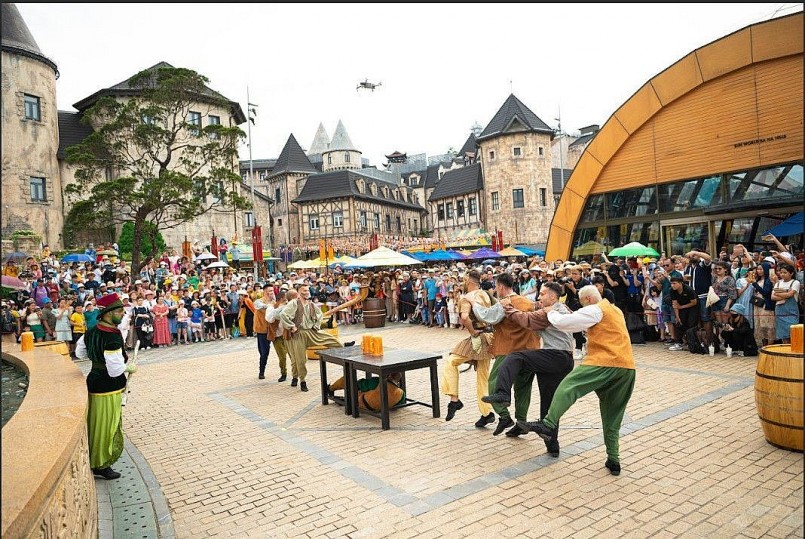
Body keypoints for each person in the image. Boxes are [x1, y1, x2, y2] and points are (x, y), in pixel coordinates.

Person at [517, 285, 636, 476]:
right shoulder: (616, 311)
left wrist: (550, 312)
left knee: (568, 386)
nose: (581, 307)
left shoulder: (596, 309)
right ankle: (613, 459)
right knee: (612, 416)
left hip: (604, 362)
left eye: (581, 304)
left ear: (587, 299)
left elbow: (565, 323)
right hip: (627, 368)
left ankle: (548, 424)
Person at [481, 281, 575, 455]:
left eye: (543, 294)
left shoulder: (548, 312)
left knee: (515, 357)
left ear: (553, 296)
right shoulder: (564, 309)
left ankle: (503, 393)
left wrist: (507, 307)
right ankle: (552, 445)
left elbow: (526, 319)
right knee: (548, 403)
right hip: (564, 360)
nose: (539, 297)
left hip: (555, 356)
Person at [75, 292, 135, 480]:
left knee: (95, 423)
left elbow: (80, 352)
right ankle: (101, 463)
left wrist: (97, 357)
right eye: (120, 311)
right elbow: (115, 370)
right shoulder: (112, 336)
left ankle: (95, 459)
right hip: (108, 386)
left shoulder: (92, 330)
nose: (123, 314)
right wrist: (128, 367)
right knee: (106, 425)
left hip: (94, 380)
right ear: (109, 313)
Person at [476, 272, 542, 435]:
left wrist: (473, 302)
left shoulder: (505, 303)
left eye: (496, 286)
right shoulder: (528, 302)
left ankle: (504, 416)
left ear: (500, 286)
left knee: (494, 384)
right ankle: (521, 422)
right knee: (523, 387)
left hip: (508, 350)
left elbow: (486, 316)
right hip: (530, 350)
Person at [440, 270, 495, 424]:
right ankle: (487, 413)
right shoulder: (486, 294)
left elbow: (464, 317)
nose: (461, 283)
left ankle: (454, 400)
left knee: (451, 362)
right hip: (490, 336)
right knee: (483, 377)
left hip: (478, 337)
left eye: (463, 280)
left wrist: (471, 330)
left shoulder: (466, 298)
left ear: (469, 281)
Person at [279, 285, 353, 392]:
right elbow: (283, 315)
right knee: (299, 360)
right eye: (304, 290)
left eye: (307, 290)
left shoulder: (311, 304)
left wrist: (316, 325)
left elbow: (320, 315)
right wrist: (291, 326)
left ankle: (343, 346)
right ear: (299, 293)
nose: (306, 292)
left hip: (310, 332)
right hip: (298, 334)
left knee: (329, 339)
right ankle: (301, 380)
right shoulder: (294, 303)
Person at [328, 372, 405, 411]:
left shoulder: (377, 382)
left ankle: (331, 388)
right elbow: (401, 403)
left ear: (389, 375)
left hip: (363, 403)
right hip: (380, 407)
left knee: (348, 379)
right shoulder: (401, 393)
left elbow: (358, 385)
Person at [267, 287, 295, 383]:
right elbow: (270, 319)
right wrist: (279, 309)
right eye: (286, 298)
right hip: (277, 336)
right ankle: (283, 374)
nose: (287, 300)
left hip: (287, 334)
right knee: (282, 357)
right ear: (281, 299)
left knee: (292, 356)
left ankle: (295, 376)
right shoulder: (271, 308)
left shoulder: (289, 306)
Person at [668, 275, 699, 351]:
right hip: (681, 307)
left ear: (680, 283)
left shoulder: (689, 290)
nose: (672, 285)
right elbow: (675, 304)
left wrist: (681, 307)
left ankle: (691, 343)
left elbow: (694, 302)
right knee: (679, 323)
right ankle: (678, 343)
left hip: (692, 307)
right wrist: (677, 317)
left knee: (691, 324)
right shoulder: (672, 290)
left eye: (674, 283)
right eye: (671, 283)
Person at [772, 263, 800, 344]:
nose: (782, 274)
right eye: (781, 272)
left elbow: (790, 295)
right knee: (783, 334)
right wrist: (785, 294)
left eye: (785, 272)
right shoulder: (778, 283)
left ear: (791, 273)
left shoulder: (795, 282)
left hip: (791, 311)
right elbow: (772, 297)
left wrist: (777, 293)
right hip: (780, 311)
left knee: (793, 333)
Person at [253, 284, 274, 380]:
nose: (272, 292)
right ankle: (261, 371)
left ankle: (284, 373)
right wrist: (269, 306)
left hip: (273, 330)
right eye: (270, 291)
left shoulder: (274, 302)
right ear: (265, 292)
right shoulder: (259, 301)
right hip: (262, 330)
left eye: (272, 291)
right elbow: (258, 306)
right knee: (264, 352)